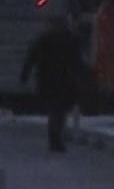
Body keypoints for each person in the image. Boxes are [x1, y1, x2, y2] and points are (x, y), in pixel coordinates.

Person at [21, 14, 87, 152]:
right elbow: (78, 61)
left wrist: (25, 75)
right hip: (64, 80)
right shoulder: (70, 39)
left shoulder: (44, 39)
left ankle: (54, 137)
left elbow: (31, 57)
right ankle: (56, 138)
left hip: (48, 79)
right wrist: (81, 78)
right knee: (59, 110)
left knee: (55, 109)